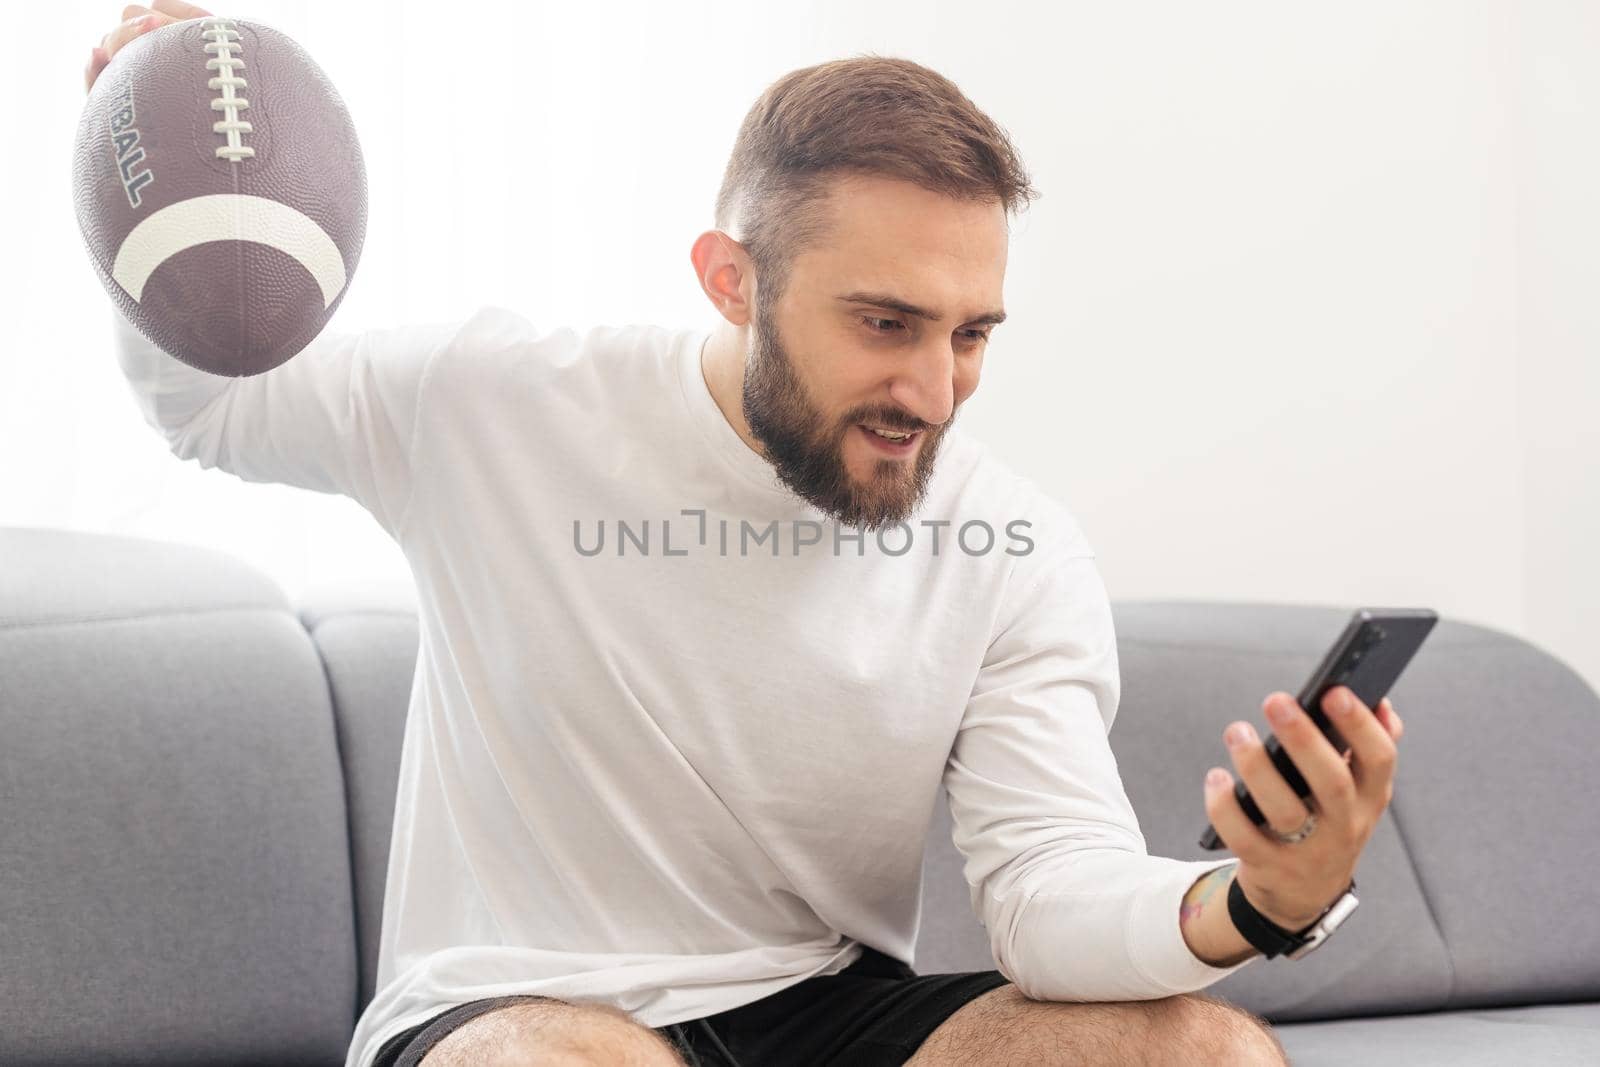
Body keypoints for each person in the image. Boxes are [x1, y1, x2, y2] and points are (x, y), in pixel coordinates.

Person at [93, 4, 1416, 1065]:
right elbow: (213, 409)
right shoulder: (496, 402)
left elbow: (1049, 893)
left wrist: (1256, 902)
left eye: (971, 335)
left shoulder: (1012, 549)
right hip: (515, 1009)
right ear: (731, 282)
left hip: (816, 1010)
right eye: (884, 324)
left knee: (1204, 1054)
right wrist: (146, 185)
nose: (934, 392)